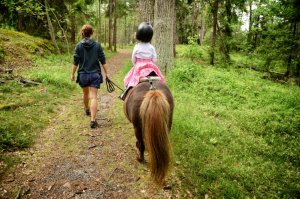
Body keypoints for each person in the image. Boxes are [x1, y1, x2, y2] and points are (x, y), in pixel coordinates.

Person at [71, 24, 109, 129]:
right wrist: (107, 73)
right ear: (91, 33)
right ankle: (93, 120)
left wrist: (72, 74)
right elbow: (103, 60)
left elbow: (75, 62)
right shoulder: (97, 45)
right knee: (93, 97)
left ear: (82, 33)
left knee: (85, 93)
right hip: (95, 75)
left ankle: (86, 109)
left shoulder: (78, 46)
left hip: (83, 75)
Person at [120, 22, 166, 100]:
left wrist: (136, 64)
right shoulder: (151, 47)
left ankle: (125, 93)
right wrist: (151, 63)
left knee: (128, 79)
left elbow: (133, 59)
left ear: (139, 35)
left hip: (139, 67)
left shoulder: (137, 47)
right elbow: (154, 59)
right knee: (160, 80)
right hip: (151, 67)